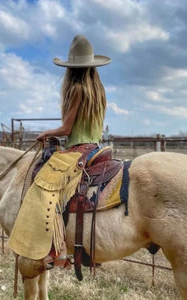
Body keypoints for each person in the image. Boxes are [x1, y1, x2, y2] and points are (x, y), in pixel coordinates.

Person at [8, 35, 111, 276]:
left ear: (71, 69)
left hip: (78, 150)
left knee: (44, 184)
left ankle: (55, 251)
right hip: (96, 147)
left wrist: (45, 133)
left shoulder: (76, 89)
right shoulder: (99, 90)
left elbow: (66, 129)